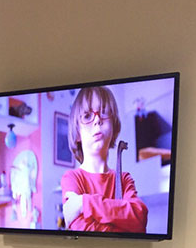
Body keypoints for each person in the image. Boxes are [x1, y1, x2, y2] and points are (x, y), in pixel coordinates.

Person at [61, 86, 148, 234]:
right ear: (77, 133)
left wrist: (85, 203)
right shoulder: (72, 179)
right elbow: (84, 232)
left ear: (113, 126)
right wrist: (125, 227)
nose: (97, 120)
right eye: (87, 116)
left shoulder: (124, 179)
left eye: (104, 112)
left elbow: (139, 218)